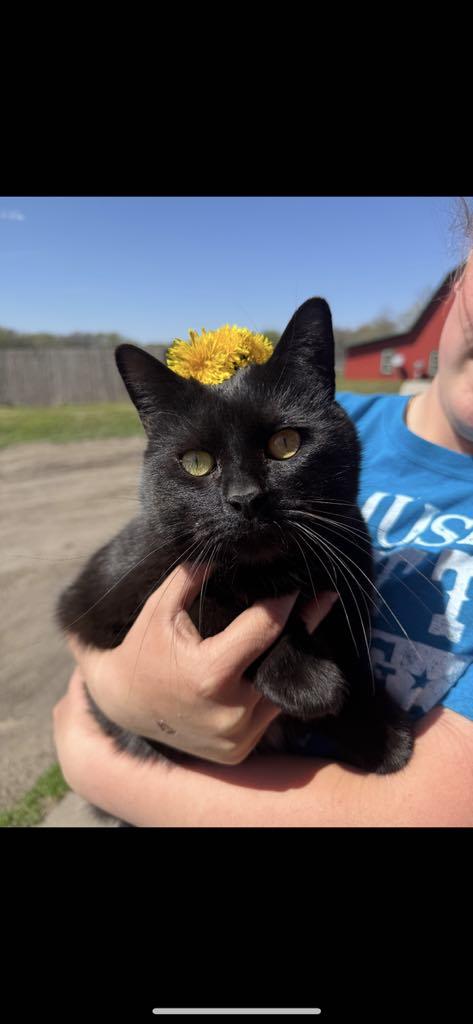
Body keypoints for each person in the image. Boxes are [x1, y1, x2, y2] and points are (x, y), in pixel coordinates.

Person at [52, 241, 473, 827]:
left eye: (283, 446)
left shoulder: (341, 533)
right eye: (199, 464)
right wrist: (130, 695)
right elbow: (81, 613)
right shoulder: (163, 547)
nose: (244, 492)